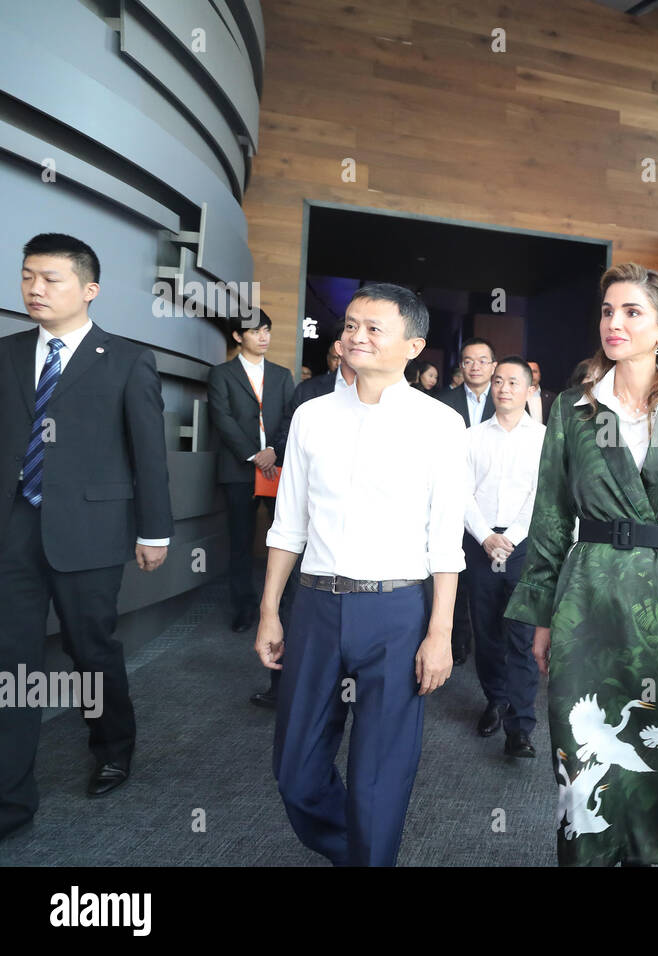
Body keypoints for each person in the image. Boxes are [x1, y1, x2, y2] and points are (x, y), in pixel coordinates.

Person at [504, 262, 658, 867]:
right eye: (607, 311)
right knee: (581, 759)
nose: (613, 323)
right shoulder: (573, 408)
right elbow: (548, 519)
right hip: (586, 602)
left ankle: (647, 855)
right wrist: (540, 615)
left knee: (656, 748)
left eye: (631, 312)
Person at [256, 282, 468, 867]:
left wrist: (440, 633)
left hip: (397, 612)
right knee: (295, 771)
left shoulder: (439, 425)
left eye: (375, 327)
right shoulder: (310, 416)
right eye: (351, 324)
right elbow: (287, 523)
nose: (356, 336)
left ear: (413, 344)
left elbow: (445, 542)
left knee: (379, 776)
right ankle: (355, 852)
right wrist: (271, 610)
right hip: (317, 608)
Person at [0, 234, 172, 835]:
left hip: (91, 530)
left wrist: (155, 531)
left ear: (88, 289)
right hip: (14, 527)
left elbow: (148, 452)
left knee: (89, 649)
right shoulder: (7, 352)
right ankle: (12, 799)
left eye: (50, 279)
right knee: (10, 659)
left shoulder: (125, 359)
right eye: (27, 277)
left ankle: (114, 746)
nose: (35, 289)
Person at [249, 325, 357, 710]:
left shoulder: (382, 399)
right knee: (294, 600)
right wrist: (274, 452)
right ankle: (281, 686)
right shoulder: (310, 393)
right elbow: (284, 433)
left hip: (350, 527)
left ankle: (341, 689)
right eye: (347, 339)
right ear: (337, 352)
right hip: (304, 515)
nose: (355, 344)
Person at [464, 357, 546, 754]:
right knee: (486, 632)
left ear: (530, 390)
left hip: (524, 546)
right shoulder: (472, 436)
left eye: (514, 382)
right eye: (498, 381)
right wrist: (484, 537)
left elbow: (541, 495)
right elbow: (459, 493)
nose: (504, 388)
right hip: (479, 545)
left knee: (521, 634)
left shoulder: (544, 438)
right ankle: (495, 700)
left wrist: (509, 538)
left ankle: (521, 726)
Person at [208, 312, 295, 633]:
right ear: (237, 337)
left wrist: (274, 450)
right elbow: (223, 418)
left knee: (286, 539)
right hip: (239, 470)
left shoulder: (282, 375)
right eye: (255, 331)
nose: (264, 337)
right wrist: (254, 455)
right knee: (241, 542)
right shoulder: (221, 374)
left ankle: (285, 605)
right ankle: (244, 607)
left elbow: (291, 417)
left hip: (277, 469)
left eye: (267, 330)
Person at [437, 338, 496, 664]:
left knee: (486, 578)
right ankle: (456, 640)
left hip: (490, 505)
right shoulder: (443, 402)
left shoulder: (506, 401)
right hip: (450, 498)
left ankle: (486, 643)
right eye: (469, 361)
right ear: (461, 365)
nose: (475, 366)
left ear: (493, 366)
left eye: (482, 361)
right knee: (453, 572)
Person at [524, 360, 556, 424]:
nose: (532, 375)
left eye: (534, 371)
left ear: (540, 374)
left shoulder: (551, 397)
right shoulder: (516, 396)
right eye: (528, 371)